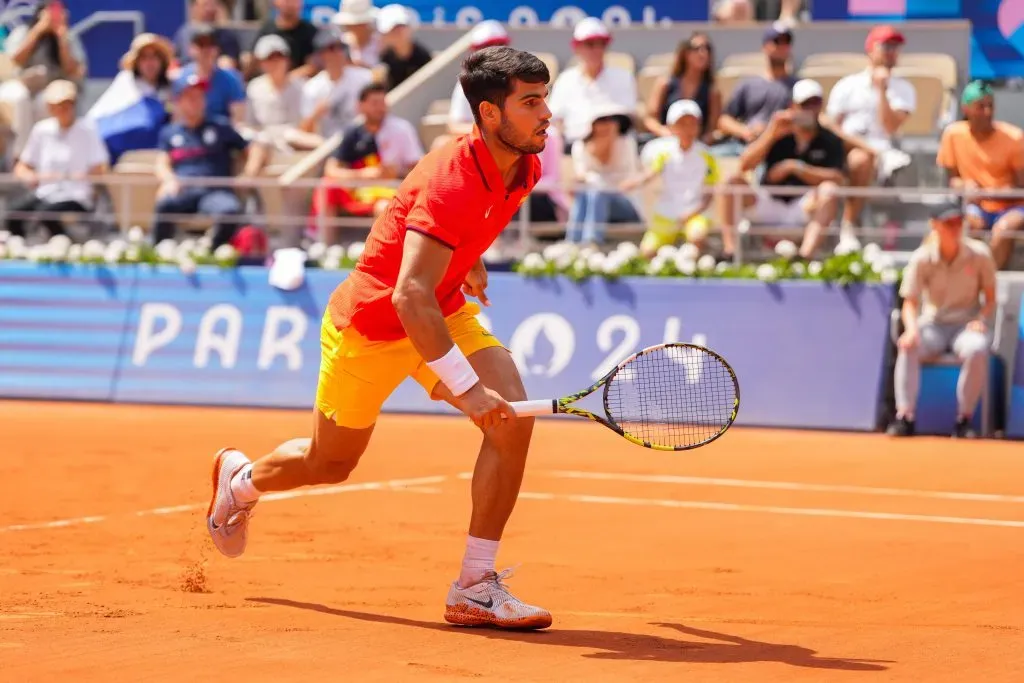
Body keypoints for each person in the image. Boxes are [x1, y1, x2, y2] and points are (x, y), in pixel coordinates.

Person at [205, 46, 554, 630]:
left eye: (545, 99)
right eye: (531, 102)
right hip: (373, 325)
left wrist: (466, 259)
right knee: (329, 463)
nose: (546, 114)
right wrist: (467, 390)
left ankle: (474, 585)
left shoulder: (523, 164)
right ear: (490, 113)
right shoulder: (451, 179)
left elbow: (443, 241)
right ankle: (240, 483)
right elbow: (407, 294)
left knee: (512, 418)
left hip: (441, 311)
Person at [887, 201, 997, 439]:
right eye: (949, 223)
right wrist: (911, 330)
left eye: (959, 222)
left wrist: (981, 319)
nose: (955, 228)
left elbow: (990, 299)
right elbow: (910, 302)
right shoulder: (922, 257)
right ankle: (905, 416)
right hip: (933, 324)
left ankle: (964, 419)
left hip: (966, 325)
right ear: (934, 225)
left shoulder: (980, 254)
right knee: (907, 346)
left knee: (977, 348)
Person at [722, 79, 846, 260]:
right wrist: (771, 133)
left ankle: (804, 257)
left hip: (804, 207)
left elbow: (838, 178)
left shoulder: (830, 139)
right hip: (770, 203)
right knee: (730, 182)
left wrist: (796, 168)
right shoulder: (776, 133)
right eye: (805, 104)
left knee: (829, 190)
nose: (810, 110)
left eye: (815, 103)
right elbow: (745, 165)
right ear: (792, 106)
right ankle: (730, 252)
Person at [825, 25, 916, 230]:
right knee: (860, 158)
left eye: (896, 47)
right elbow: (832, 127)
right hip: (846, 147)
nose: (892, 52)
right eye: (886, 46)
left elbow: (890, 127)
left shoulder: (904, 88)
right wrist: (865, 147)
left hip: (884, 154)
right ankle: (849, 227)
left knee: (866, 160)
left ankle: (850, 226)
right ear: (870, 49)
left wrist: (882, 89)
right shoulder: (847, 85)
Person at [311, 82, 424, 244]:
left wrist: (396, 174)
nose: (380, 108)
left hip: (393, 190)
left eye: (382, 103)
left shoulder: (402, 129)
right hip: (361, 191)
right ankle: (324, 247)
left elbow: (419, 169)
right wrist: (362, 174)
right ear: (361, 106)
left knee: (383, 206)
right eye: (374, 103)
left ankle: (379, 254)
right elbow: (331, 169)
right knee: (326, 186)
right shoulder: (353, 133)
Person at [152, 74, 254, 248]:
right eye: (190, 97)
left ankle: (211, 253)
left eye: (199, 96)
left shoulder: (220, 127)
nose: (195, 102)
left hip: (214, 190)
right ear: (179, 101)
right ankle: (160, 253)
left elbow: (253, 147)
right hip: (184, 189)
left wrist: (249, 173)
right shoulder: (170, 132)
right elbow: (161, 162)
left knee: (230, 211)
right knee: (165, 205)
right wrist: (168, 180)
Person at [937, 80, 1024, 270]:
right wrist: (965, 186)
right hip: (976, 206)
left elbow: (1021, 188)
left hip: (1013, 208)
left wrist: (989, 193)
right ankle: (969, 278)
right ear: (966, 109)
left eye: (990, 106)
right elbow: (952, 179)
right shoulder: (953, 134)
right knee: (969, 225)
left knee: (1004, 229)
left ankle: (989, 278)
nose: (987, 112)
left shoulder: (1014, 137)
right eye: (980, 107)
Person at [8, 80, 108, 238]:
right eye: (57, 105)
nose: (62, 110)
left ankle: (65, 247)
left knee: (47, 215)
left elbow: (100, 167)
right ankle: (23, 248)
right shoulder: (41, 130)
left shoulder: (88, 130)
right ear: (50, 108)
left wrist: (79, 177)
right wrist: (31, 177)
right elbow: (22, 167)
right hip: (45, 193)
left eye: (66, 104)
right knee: (13, 215)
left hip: (77, 195)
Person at [624, 100, 719, 257]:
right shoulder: (664, 153)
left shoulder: (707, 156)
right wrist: (630, 184)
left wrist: (693, 212)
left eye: (692, 123)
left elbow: (710, 192)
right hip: (666, 214)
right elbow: (650, 174)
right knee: (647, 251)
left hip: (695, 215)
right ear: (672, 127)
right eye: (682, 124)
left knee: (696, 238)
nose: (687, 129)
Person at [643, 32, 720, 145]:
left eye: (707, 49)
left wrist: (697, 144)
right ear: (685, 53)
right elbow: (650, 119)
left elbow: (712, 128)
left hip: (696, 145)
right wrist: (664, 133)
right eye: (697, 48)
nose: (703, 53)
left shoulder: (712, 91)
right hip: (666, 142)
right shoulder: (665, 83)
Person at [376, 4, 432, 90]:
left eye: (401, 26)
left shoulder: (423, 57)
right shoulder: (382, 59)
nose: (399, 32)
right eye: (393, 29)